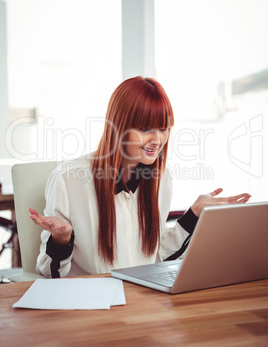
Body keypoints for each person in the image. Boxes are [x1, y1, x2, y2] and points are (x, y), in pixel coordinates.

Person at [29, 76, 251, 278]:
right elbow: (50, 272)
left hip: (142, 300)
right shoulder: (67, 179)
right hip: (90, 304)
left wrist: (194, 214)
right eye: (145, 129)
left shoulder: (161, 177)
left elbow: (155, 257)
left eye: (164, 129)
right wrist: (61, 239)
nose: (158, 139)